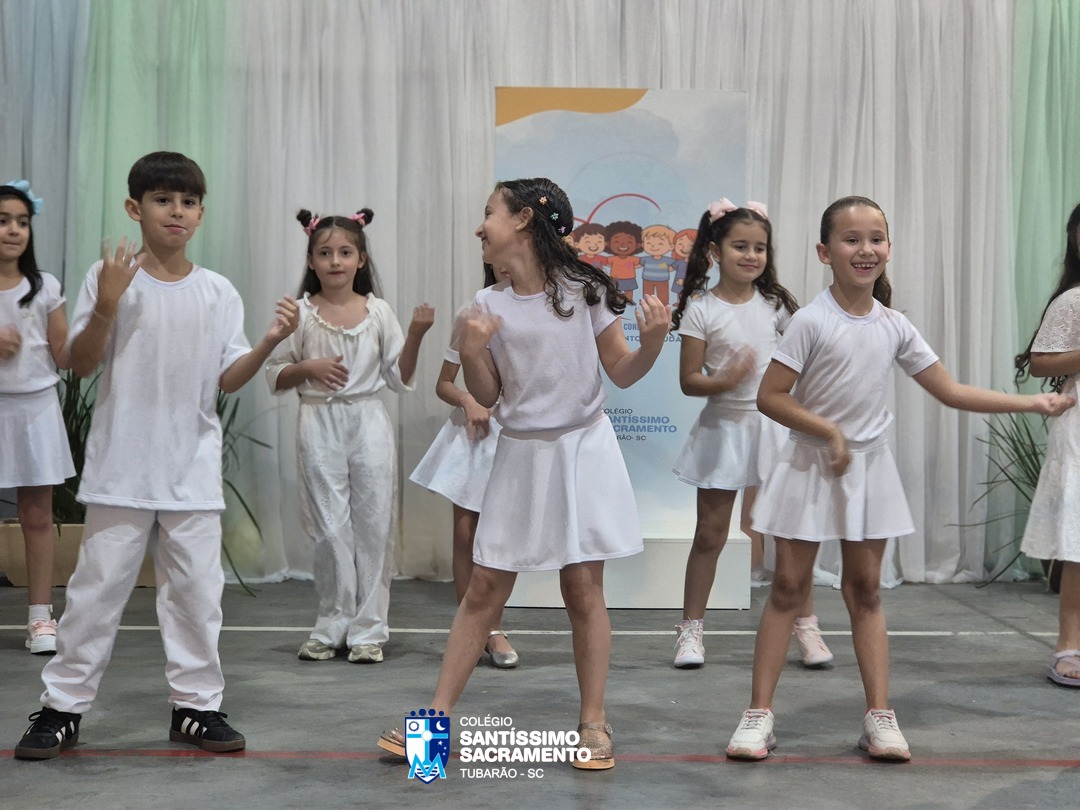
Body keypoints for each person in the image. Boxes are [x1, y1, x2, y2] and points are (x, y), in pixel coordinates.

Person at [724, 195, 1075, 763]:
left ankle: (879, 716)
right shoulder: (811, 320)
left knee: (866, 590)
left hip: (869, 471)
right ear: (824, 252)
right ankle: (757, 714)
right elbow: (771, 397)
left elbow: (950, 391)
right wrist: (829, 433)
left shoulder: (894, 325)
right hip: (808, 466)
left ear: (888, 248)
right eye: (851, 239)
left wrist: (1034, 403)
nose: (865, 249)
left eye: (876, 239)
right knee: (787, 588)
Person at [14, 151, 300, 761]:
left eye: (189, 202)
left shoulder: (218, 292)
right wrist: (108, 303)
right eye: (163, 200)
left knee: (197, 599)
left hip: (192, 472)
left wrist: (270, 342)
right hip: (120, 470)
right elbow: (81, 363)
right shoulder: (109, 277)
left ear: (201, 213)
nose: (177, 211)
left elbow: (228, 378)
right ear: (134, 208)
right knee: (93, 597)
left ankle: (195, 707)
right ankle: (62, 708)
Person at [378, 178, 670, 770]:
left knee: (583, 589)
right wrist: (474, 348)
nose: (479, 226)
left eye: (489, 212)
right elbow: (487, 395)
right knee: (485, 587)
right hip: (519, 454)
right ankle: (435, 721)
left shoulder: (586, 291)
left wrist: (654, 343)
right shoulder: (484, 305)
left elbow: (622, 371)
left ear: (524, 221)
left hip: (582, 453)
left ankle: (593, 722)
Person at [670, 199, 832, 670]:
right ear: (715, 251)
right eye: (740, 246)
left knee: (789, 535)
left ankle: (806, 626)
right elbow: (689, 381)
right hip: (723, 428)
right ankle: (691, 631)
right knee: (710, 534)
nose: (751, 255)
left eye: (759, 248)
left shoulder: (777, 306)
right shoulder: (701, 309)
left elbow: (803, 361)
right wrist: (726, 378)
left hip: (775, 428)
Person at [267, 208, 433, 664]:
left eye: (345, 252)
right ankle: (331, 624)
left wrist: (416, 335)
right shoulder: (301, 313)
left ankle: (369, 631)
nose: (335, 261)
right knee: (329, 527)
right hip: (318, 420)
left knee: (374, 525)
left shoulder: (378, 311)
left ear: (361, 259)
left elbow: (398, 378)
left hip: (368, 421)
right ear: (311, 260)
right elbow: (275, 372)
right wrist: (308, 367)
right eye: (325, 253)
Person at [409, 264, 517, 668]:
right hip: (477, 433)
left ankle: (493, 625)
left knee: (501, 537)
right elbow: (445, 382)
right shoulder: (474, 309)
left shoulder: (547, 306)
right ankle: (476, 631)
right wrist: (469, 401)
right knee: (465, 533)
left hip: (519, 432)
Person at [0, 180, 73, 655]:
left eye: (22, 222)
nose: (14, 230)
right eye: (3, 221)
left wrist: (105, 318)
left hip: (36, 408)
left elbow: (65, 354)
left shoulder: (45, 287)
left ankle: (40, 617)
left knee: (37, 514)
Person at [1015, 201, 1080, 688]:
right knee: (1078, 545)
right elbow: (1041, 362)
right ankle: (1069, 645)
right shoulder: (1072, 300)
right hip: (1078, 428)